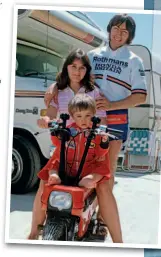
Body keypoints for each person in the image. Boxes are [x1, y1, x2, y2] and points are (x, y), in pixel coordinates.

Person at [44, 13, 147, 232]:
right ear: (109, 29)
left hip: (115, 121)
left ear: (130, 36)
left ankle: (101, 220)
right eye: (116, 28)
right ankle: (76, 216)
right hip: (84, 120)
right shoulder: (93, 54)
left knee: (105, 174)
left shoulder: (134, 60)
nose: (119, 34)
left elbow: (141, 97)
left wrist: (111, 105)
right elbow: (74, 74)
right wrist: (55, 86)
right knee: (78, 168)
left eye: (125, 31)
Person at [28, 48, 123, 243]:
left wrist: (98, 132)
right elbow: (51, 114)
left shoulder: (94, 92)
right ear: (67, 68)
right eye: (73, 66)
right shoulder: (58, 90)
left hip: (88, 149)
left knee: (104, 187)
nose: (77, 71)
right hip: (66, 149)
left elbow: (102, 121)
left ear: (87, 70)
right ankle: (33, 232)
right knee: (44, 182)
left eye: (82, 68)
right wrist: (45, 120)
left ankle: (119, 242)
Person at [38, 94, 110, 190]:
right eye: (79, 116)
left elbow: (100, 153)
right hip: (67, 166)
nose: (83, 120)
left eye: (87, 115)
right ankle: (55, 176)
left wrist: (104, 141)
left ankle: (88, 179)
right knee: (53, 163)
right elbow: (58, 144)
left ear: (93, 114)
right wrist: (54, 132)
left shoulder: (96, 132)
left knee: (101, 168)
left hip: (87, 168)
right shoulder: (68, 130)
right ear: (72, 116)